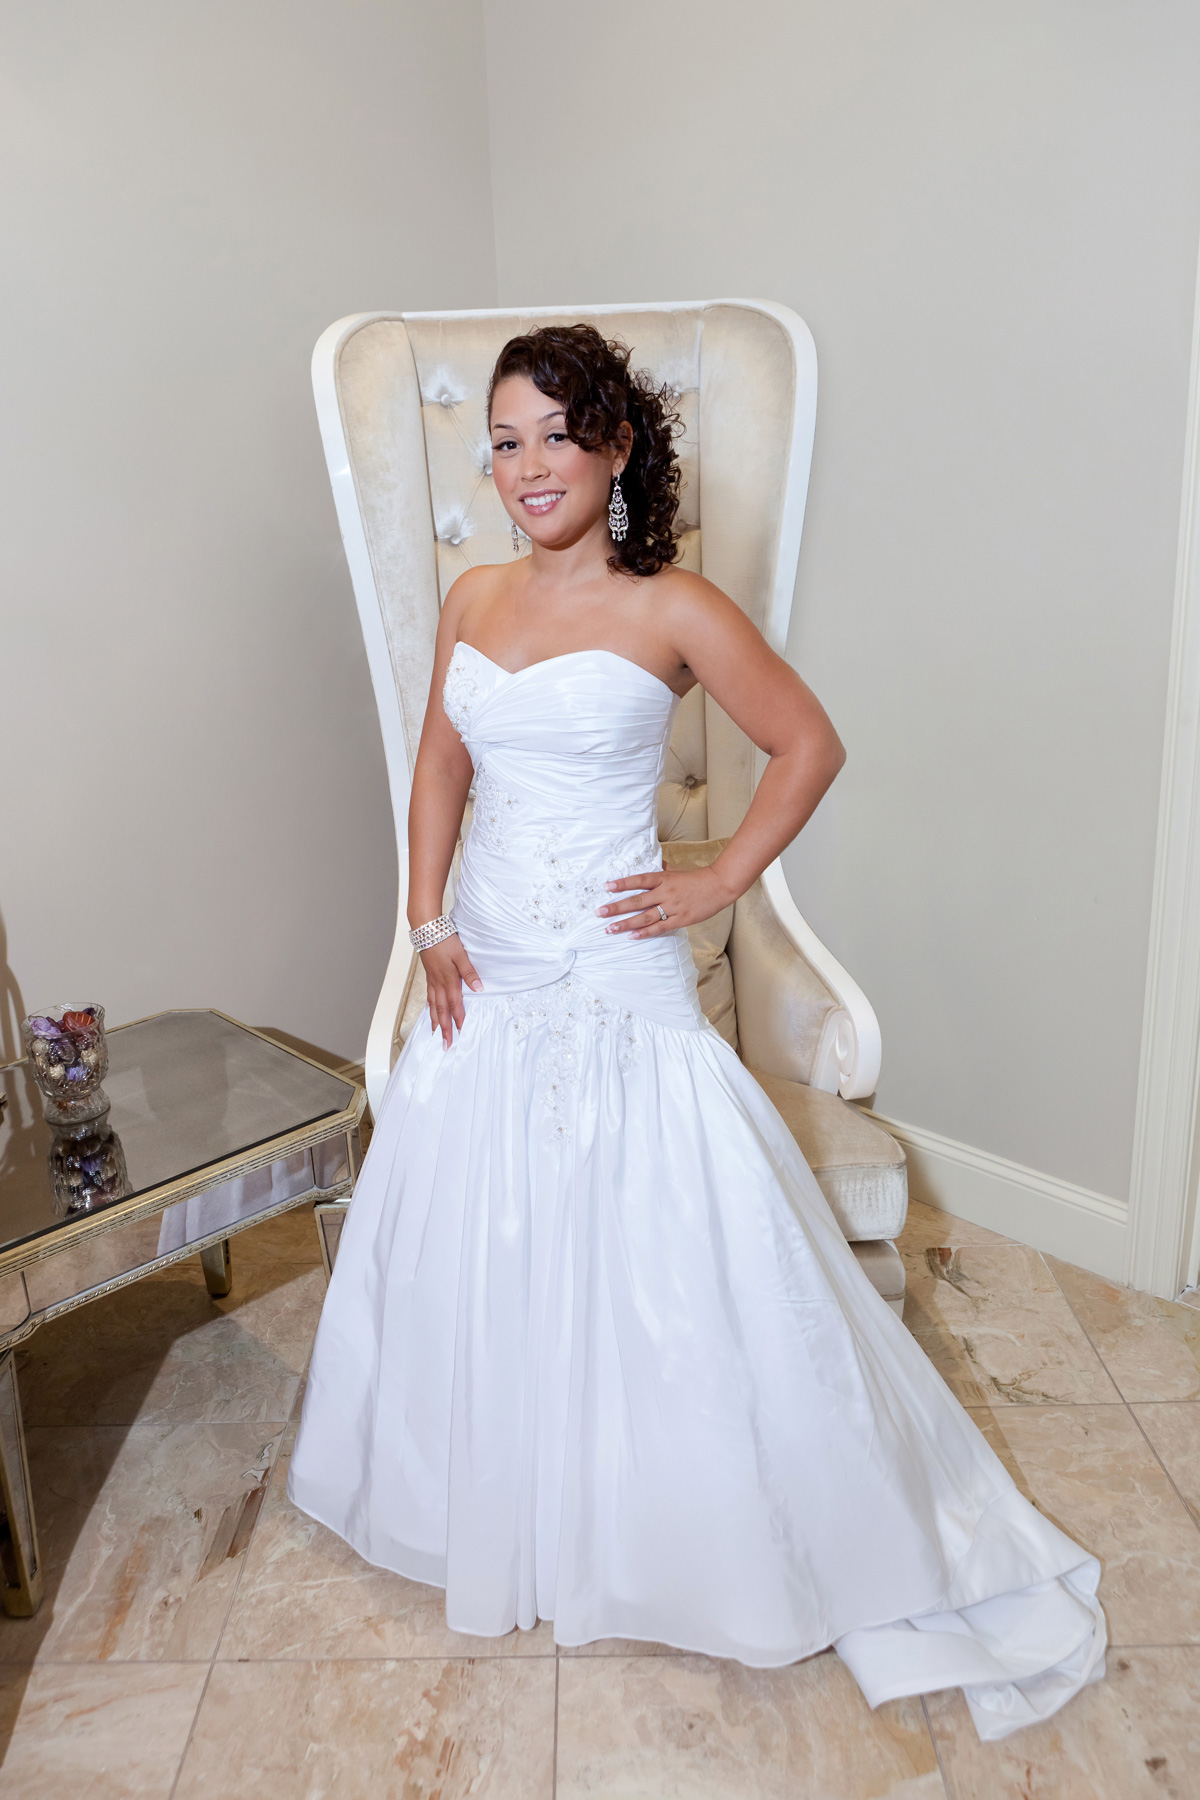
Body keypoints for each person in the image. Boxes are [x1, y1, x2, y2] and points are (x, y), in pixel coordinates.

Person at [289, 323, 1105, 1740]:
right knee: (479, 1226)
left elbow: (809, 743)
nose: (527, 465)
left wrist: (719, 878)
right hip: (488, 967)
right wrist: (425, 923)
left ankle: (674, 1521)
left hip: (616, 974)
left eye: (557, 435)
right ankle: (498, 1499)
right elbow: (439, 762)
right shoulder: (474, 597)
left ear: (614, 447)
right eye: (503, 440)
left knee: (663, 1233)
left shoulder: (672, 606)